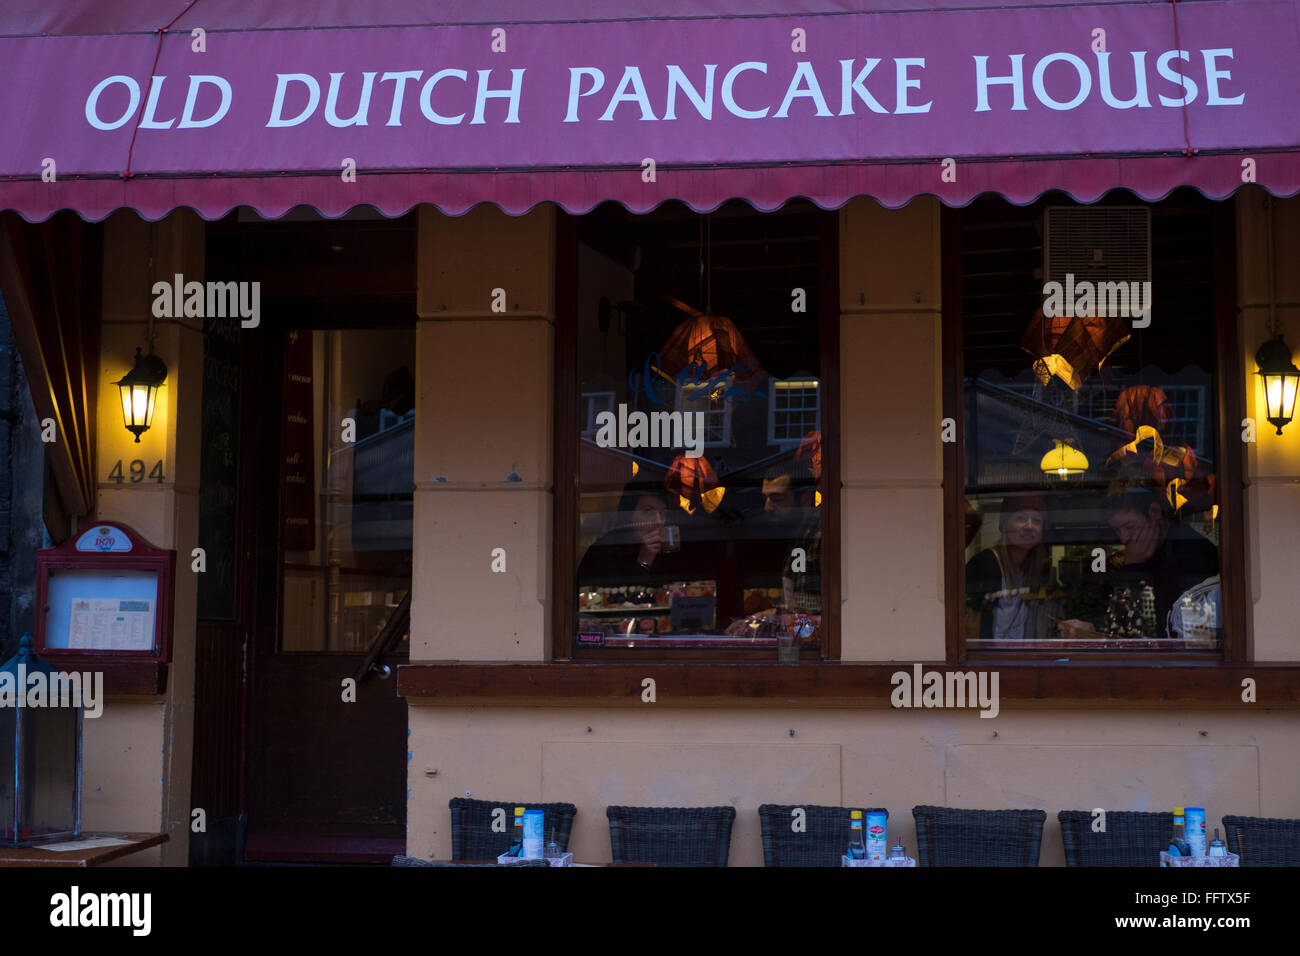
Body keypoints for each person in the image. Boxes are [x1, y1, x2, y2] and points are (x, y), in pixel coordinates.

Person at [1057, 485, 1220, 640]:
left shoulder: (1190, 554)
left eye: (1129, 526)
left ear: (1154, 512)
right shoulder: (1157, 549)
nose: (1123, 538)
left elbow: (1142, 627)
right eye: (1117, 530)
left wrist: (1132, 568)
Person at [965, 493, 1059, 640]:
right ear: (1004, 525)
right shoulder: (984, 564)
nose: (1029, 526)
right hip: (987, 660)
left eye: (1037, 521)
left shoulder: (1033, 572)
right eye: (1021, 518)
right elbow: (969, 626)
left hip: (1017, 658)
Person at [576, 484, 687, 585]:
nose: (658, 521)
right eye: (648, 511)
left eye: (662, 513)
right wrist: (644, 561)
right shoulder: (605, 549)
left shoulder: (668, 547)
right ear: (628, 515)